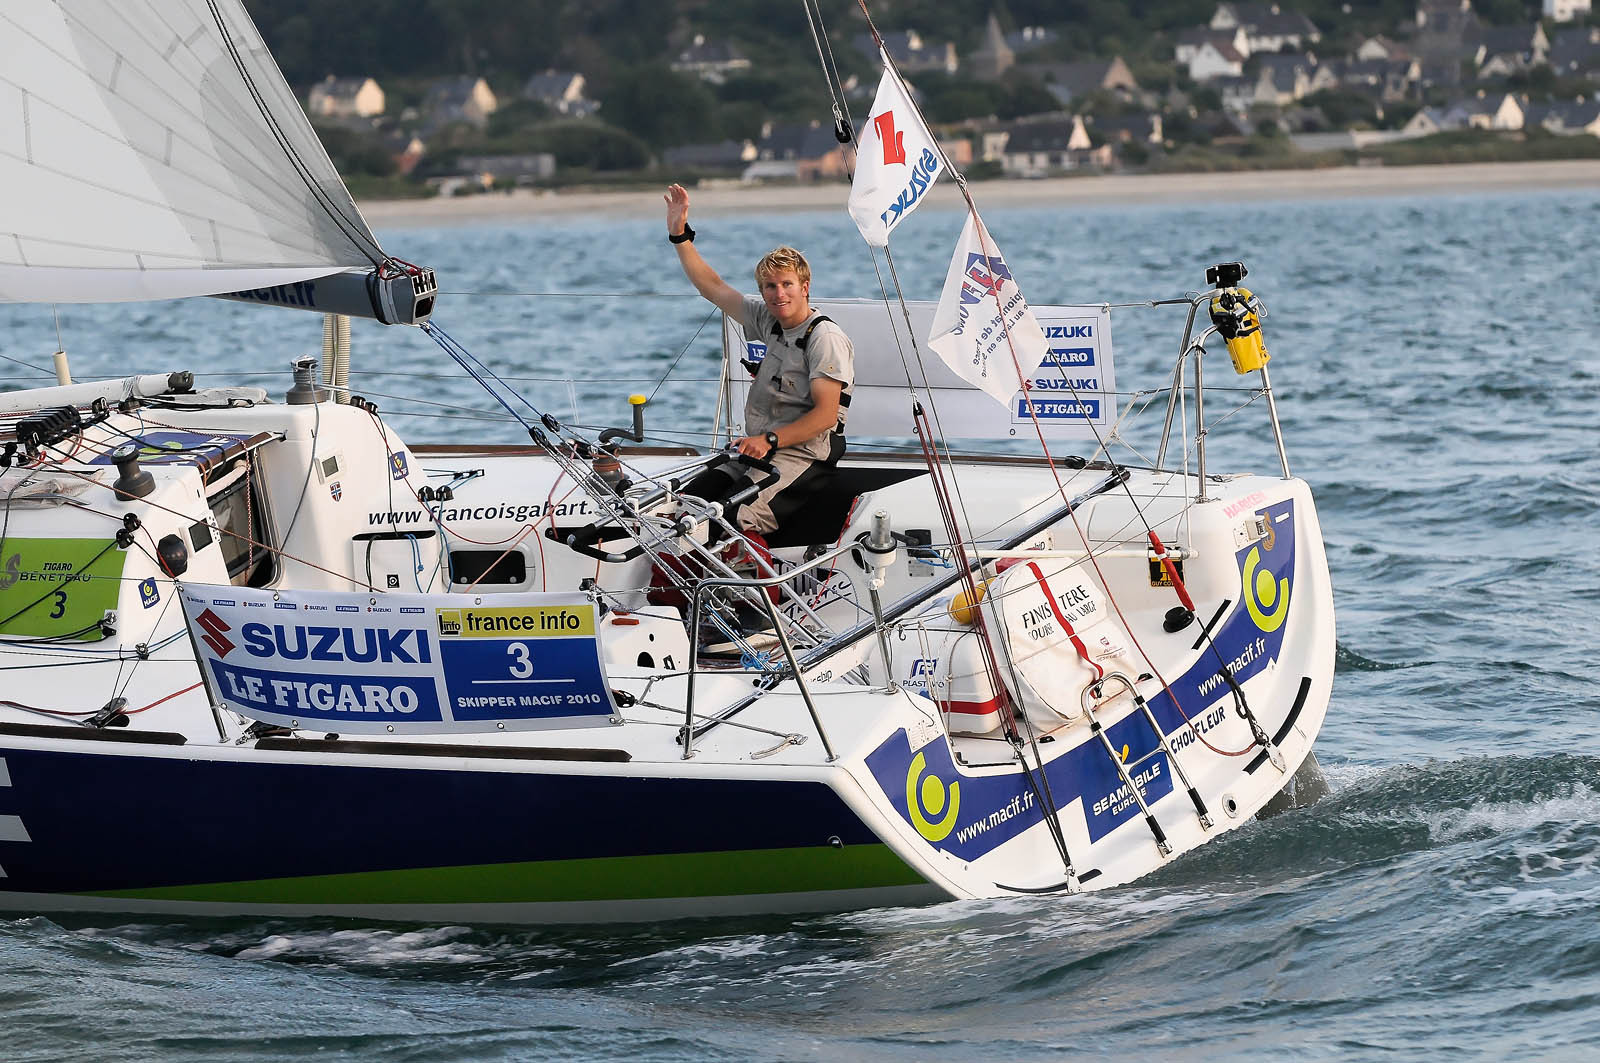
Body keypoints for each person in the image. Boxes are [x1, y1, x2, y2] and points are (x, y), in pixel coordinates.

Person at [664, 183, 855, 540]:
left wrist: (769, 439)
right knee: (688, 506)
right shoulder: (768, 320)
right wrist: (679, 235)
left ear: (805, 287)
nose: (778, 294)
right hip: (760, 448)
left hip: (802, 456)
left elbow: (826, 416)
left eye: (786, 284)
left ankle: (748, 591)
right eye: (769, 286)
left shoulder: (824, 338)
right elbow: (712, 286)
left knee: (735, 519)